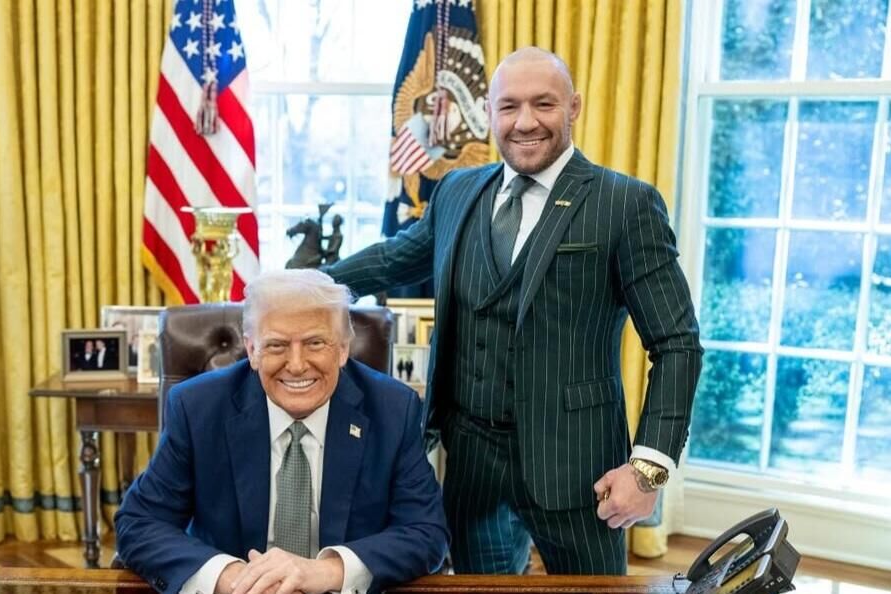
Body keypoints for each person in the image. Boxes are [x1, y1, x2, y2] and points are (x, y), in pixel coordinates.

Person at [325, 47, 703, 575]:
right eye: (509, 106)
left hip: (579, 469)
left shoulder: (625, 204)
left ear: (573, 107)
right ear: (489, 113)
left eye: (543, 104)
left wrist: (647, 470)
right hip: (472, 464)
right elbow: (394, 258)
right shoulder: (456, 190)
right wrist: (305, 285)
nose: (525, 122)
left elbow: (677, 344)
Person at [114, 269, 449, 594]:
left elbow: (426, 531)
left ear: (343, 348)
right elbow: (139, 522)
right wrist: (234, 578)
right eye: (276, 345)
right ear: (252, 350)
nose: (297, 365)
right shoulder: (198, 408)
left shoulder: (393, 410)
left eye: (315, 343)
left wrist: (326, 571)